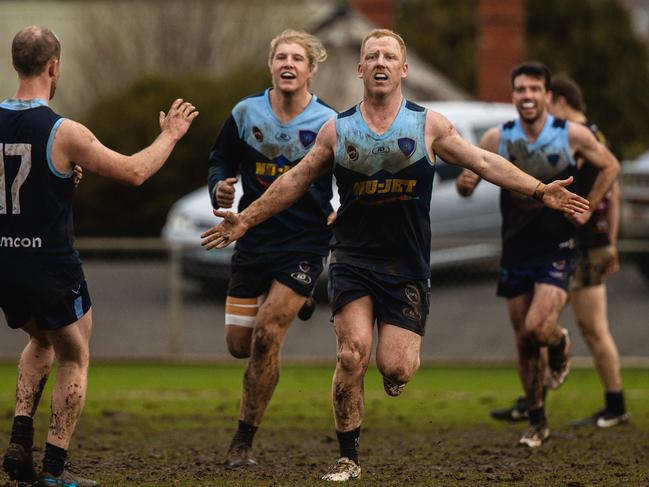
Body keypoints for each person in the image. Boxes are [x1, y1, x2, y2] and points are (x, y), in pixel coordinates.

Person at [202, 31, 589, 481]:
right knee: (351, 356)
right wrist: (245, 218)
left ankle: (395, 373)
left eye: (390, 56)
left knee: (396, 368)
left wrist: (541, 189)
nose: (380, 62)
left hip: (405, 265)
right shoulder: (338, 129)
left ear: (403, 70)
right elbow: (294, 181)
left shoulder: (429, 125)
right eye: (372, 56)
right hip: (351, 258)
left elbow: (484, 163)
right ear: (360, 70)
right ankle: (348, 457)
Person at [0, 26, 197, 486]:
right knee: (75, 353)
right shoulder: (64, 130)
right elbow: (134, 172)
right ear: (54, 66)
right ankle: (53, 468)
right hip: (50, 263)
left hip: (5, 262)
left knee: (41, 339)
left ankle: (18, 440)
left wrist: (58, 179)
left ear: (15, 64)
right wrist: (171, 134)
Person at [456, 62, 619, 448]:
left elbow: (610, 165)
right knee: (523, 340)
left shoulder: (571, 134)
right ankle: (537, 420)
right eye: (520, 90)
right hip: (515, 249)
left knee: (537, 328)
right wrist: (465, 184)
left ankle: (559, 342)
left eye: (534, 90)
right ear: (513, 96)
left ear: (548, 96)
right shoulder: (499, 137)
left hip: (557, 249)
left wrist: (588, 205)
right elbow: (470, 181)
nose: (526, 96)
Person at [206, 29, 336, 468]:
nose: (288, 64)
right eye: (281, 56)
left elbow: (352, 176)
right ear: (270, 65)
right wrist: (219, 187)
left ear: (310, 69)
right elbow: (219, 159)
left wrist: (345, 210)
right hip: (252, 238)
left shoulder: (328, 122)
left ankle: (243, 441)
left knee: (266, 335)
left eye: (297, 59)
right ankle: (301, 298)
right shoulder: (246, 112)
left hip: (303, 242)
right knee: (238, 346)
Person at [490, 75, 628, 428]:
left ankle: (615, 404)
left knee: (590, 326)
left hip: (583, 242)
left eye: (544, 97)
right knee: (535, 327)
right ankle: (534, 403)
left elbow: (613, 190)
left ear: (559, 100)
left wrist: (608, 238)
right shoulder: (553, 135)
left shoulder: (582, 135)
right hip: (551, 241)